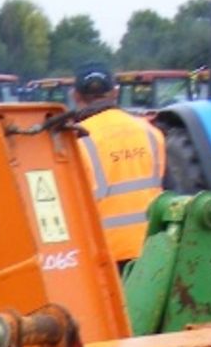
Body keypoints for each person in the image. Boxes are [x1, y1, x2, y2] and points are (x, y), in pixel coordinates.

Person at [71, 63, 166, 263]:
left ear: (76, 96)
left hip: (103, 255)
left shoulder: (75, 141)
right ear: (115, 93)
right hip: (151, 249)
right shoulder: (152, 133)